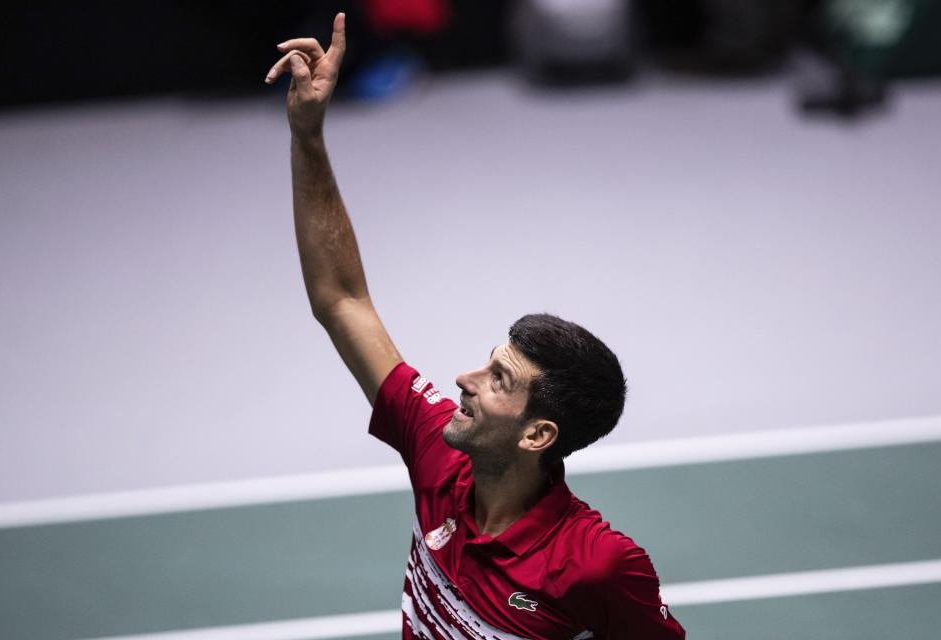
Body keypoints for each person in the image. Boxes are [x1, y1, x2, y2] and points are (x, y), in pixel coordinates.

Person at [265, 13, 685, 639]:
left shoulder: (597, 566)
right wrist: (307, 135)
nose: (462, 377)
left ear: (539, 433)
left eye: (497, 378)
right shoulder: (439, 450)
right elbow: (342, 300)